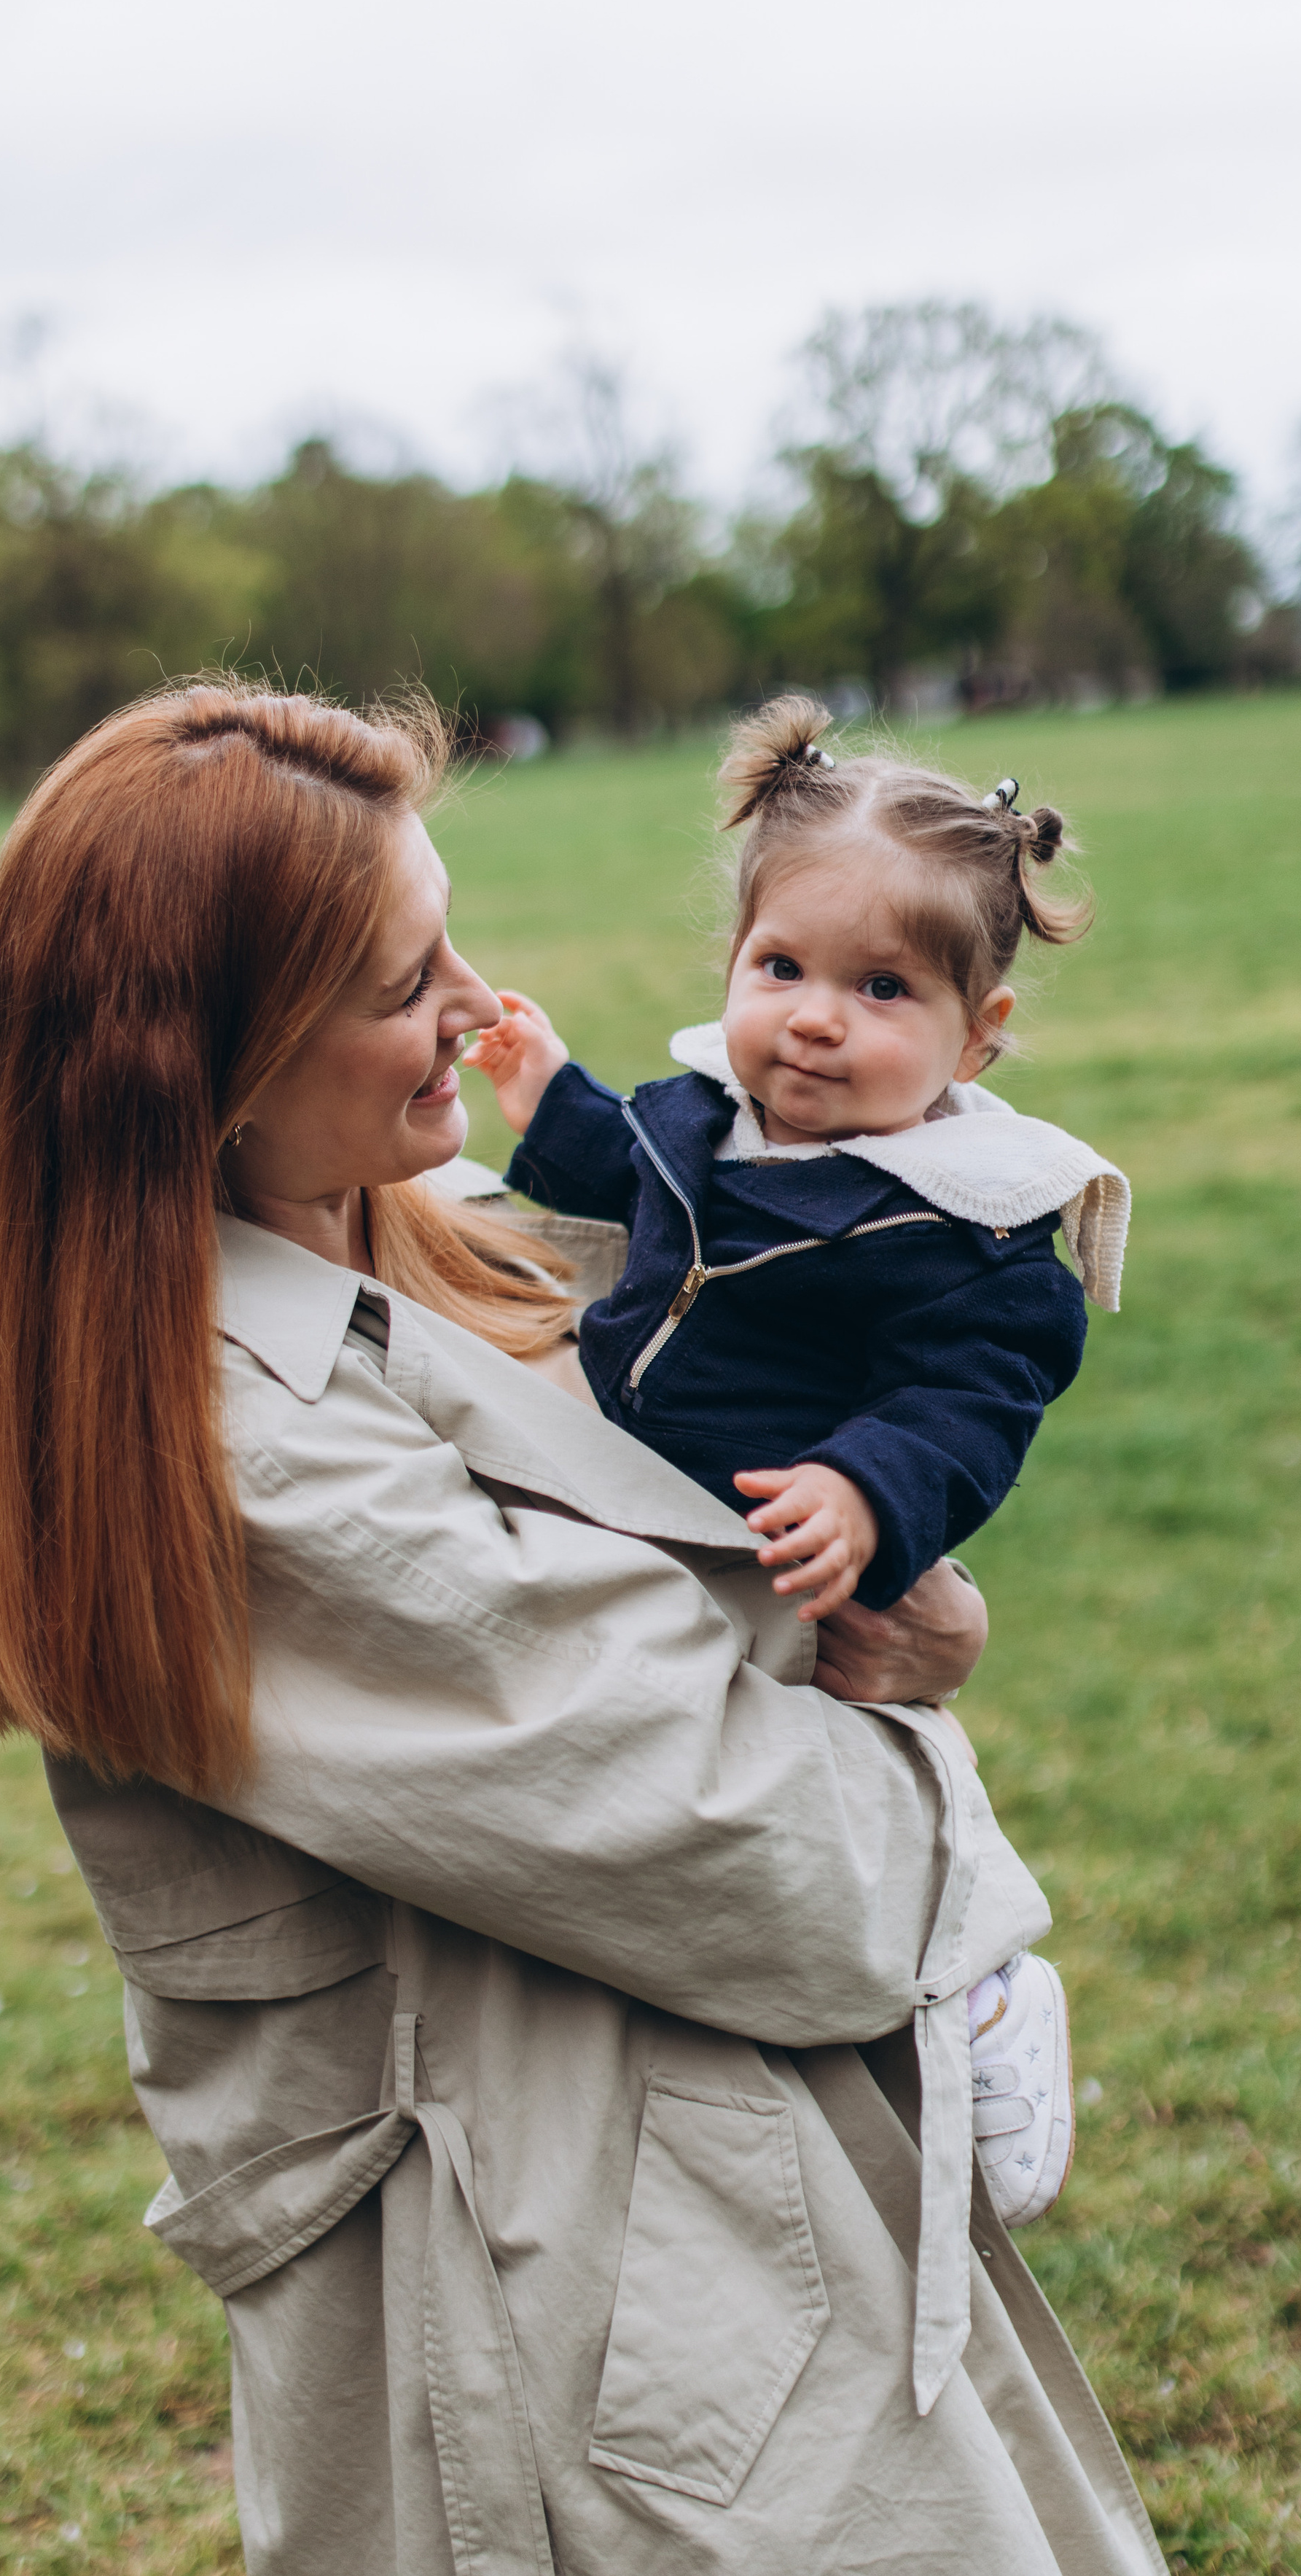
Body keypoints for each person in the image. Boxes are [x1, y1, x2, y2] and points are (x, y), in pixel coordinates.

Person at [0, 679, 1211, 2576]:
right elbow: (755, 1851)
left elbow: (783, 1561)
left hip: (707, 2211)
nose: (469, 1007)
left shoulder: (478, 1256)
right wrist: (939, 1797)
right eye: (398, 980)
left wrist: (917, 1624)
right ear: (212, 1060)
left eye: (448, 939)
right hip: (563, 2291)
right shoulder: (231, 1442)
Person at [464, 694, 1133, 2233]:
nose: (813, 1016)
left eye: (879, 986)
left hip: (808, 1562)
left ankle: (980, 1989)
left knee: (877, 1792)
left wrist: (865, 1488)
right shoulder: (715, 1118)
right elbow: (627, 1172)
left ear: (977, 1034)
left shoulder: (964, 1233)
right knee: (743, 1840)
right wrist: (546, 1096)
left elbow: (970, 1402)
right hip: (668, 1535)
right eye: (781, 968)